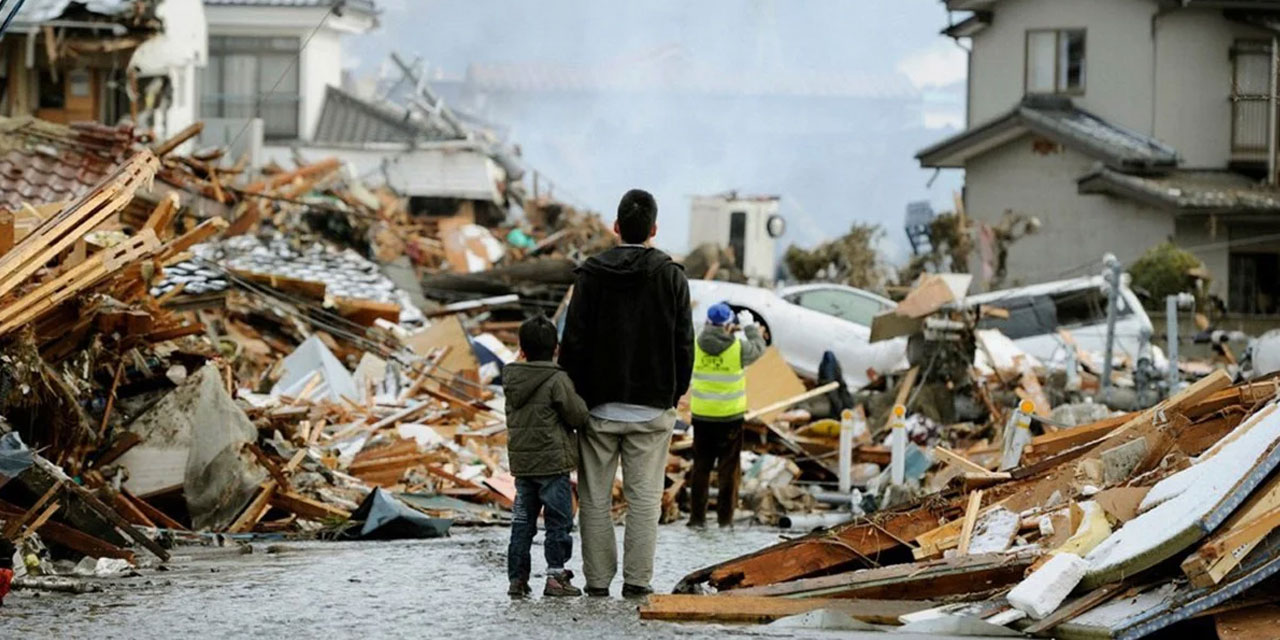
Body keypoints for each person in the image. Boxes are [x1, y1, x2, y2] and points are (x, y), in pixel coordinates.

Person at [559, 188, 694, 598]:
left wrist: (576, 398)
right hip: (652, 409)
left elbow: (573, 343)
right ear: (654, 229)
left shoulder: (590, 276)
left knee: (595, 501)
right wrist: (673, 394)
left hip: (598, 408)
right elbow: (684, 343)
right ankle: (637, 581)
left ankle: (598, 581)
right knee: (645, 500)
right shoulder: (672, 276)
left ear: (616, 227)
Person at [504, 316, 591, 598]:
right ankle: (555, 576)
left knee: (522, 524)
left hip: (523, 466)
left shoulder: (512, 379)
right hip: (553, 465)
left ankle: (517, 579)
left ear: (522, 349)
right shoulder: (557, 379)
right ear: (556, 348)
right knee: (558, 523)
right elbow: (577, 415)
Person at [687, 302, 766, 528]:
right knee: (728, 471)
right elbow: (759, 348)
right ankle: (725, 520)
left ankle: (697, 518)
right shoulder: (738, 348)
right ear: (728, 324)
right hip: (730, 418)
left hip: (702, 417)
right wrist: (750, 327)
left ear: (708, 322)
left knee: (701, 468)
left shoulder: (695, 345)